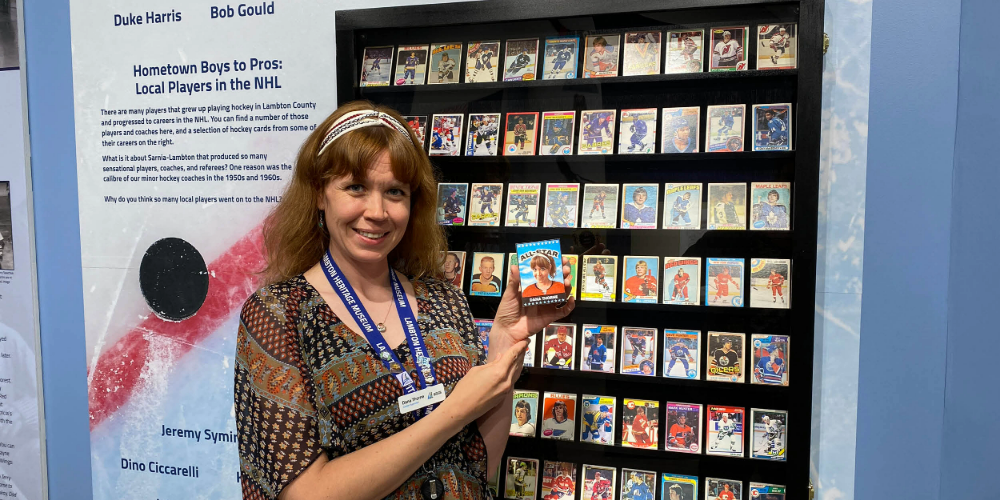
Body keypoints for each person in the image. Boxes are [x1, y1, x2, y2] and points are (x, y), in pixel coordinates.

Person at [236, 100, 576, 500]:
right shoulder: (280, 313)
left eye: (395, 192)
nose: (377, 212)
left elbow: (479, 465)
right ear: (319, 195)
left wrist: (504, 344)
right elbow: (302, 493)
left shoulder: (445, 301)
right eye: (356, 187)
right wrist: (451, 413)